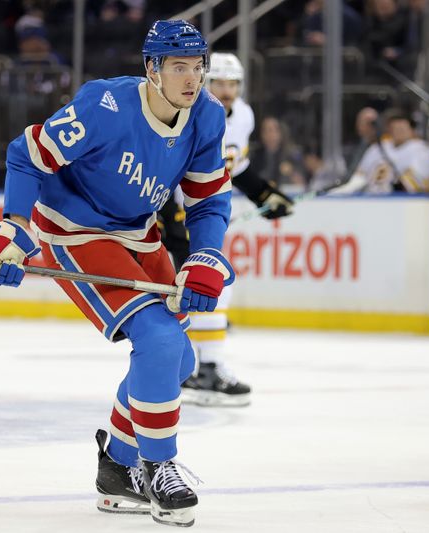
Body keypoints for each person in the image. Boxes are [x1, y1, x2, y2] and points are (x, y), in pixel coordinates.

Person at [0, 20, 232, 527]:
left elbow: (208, 199)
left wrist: (205, 255)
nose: (192, 79)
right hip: (77, 230)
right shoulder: (105, 106)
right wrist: (14, 226)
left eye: (198, 68)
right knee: (157, 343)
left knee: (178, 359)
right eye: (179, 67)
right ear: (151, 69)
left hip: (137, 231)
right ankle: (159, 467)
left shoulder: (206, 115)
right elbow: (27, 155)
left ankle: (117, 466)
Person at [158, 53, 293, 408]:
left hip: (205, 212)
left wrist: (264, 192)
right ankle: (204, 369)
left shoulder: (244, 115)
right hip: (174, 210)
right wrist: (170, 216)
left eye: (232, 84)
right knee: (204, 288)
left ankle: (192, 369)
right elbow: (164, 165)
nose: (227, 90)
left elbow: (236, 164)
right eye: (219, 82)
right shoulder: (188, 112)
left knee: (201, 288)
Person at [330, 109, 429, 194]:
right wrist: (341, 192)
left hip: (404, 202)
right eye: (394, 128)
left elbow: (415, 185)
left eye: (402, 128)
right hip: (371, 199)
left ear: (411, 129)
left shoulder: (422, 149)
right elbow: (360, 177)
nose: (398, 132)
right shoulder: (377, 148)